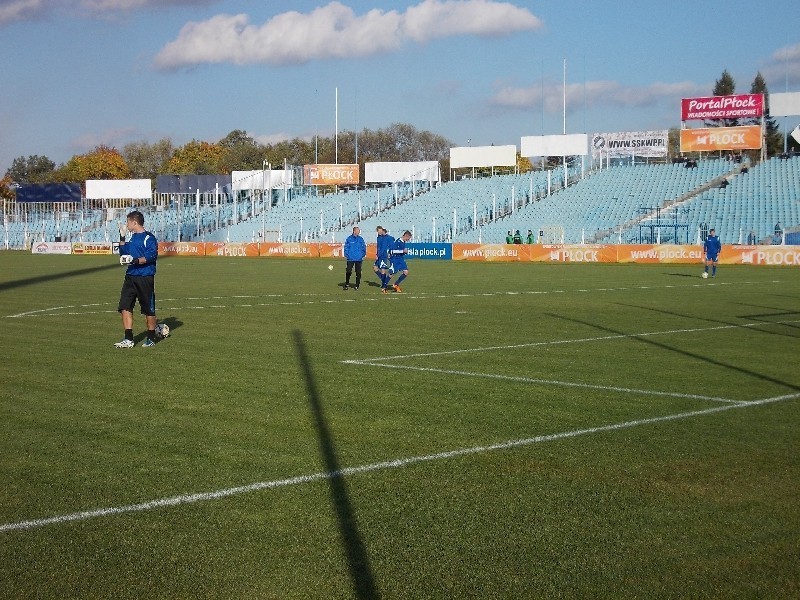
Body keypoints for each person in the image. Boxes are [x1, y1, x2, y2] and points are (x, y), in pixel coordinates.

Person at [115, 210, 159, 348]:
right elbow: (123, 252)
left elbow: (151, 256)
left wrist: (134, 260)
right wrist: (122, 237)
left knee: (148, 309)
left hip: (145, 277)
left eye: (128, 222)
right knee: (125, 306)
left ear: (135, 222)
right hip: (130, 277)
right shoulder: (132, 237)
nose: (126, 224)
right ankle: (128, 339)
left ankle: (151, 337)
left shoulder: (149, 238)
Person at [343, 226, 367, 290]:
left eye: (359, 231)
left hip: (358, 259)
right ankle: (347, 283)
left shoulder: (361, 239)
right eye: (358, 230)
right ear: (354, 231)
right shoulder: (349, 239)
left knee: (358, 272)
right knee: (348, 271)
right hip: (350, 258)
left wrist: (362, 255)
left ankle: (357, 285)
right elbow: (346, 247)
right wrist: (347, 255)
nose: (359, 232)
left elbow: (364, 247)